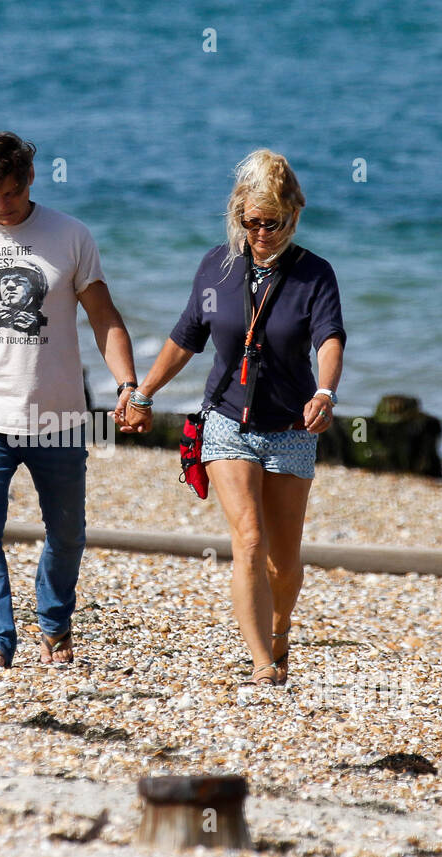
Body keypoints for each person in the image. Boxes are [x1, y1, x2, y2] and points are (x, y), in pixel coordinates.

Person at [118, 149, 346, 686]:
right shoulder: (217, 266)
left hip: (290, 428)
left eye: (274, 223)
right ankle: (263, 662)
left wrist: (326, 393)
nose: (262, 233)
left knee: (283, 559)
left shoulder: (314, 274)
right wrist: (143, 393)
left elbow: (330, 339)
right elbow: (185, 338)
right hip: (225, 423)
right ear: (237, 215)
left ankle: (280, 625)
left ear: (294, 215)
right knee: (248, 540)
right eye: (252, 223)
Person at [0, 131, 139, 669]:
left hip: (59, 416)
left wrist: (128, 386)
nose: (1, 205)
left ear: (30, 180)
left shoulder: (71, 236)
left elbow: (104, 318)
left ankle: (55, 623)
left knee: (67, 532)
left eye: (10, 193)